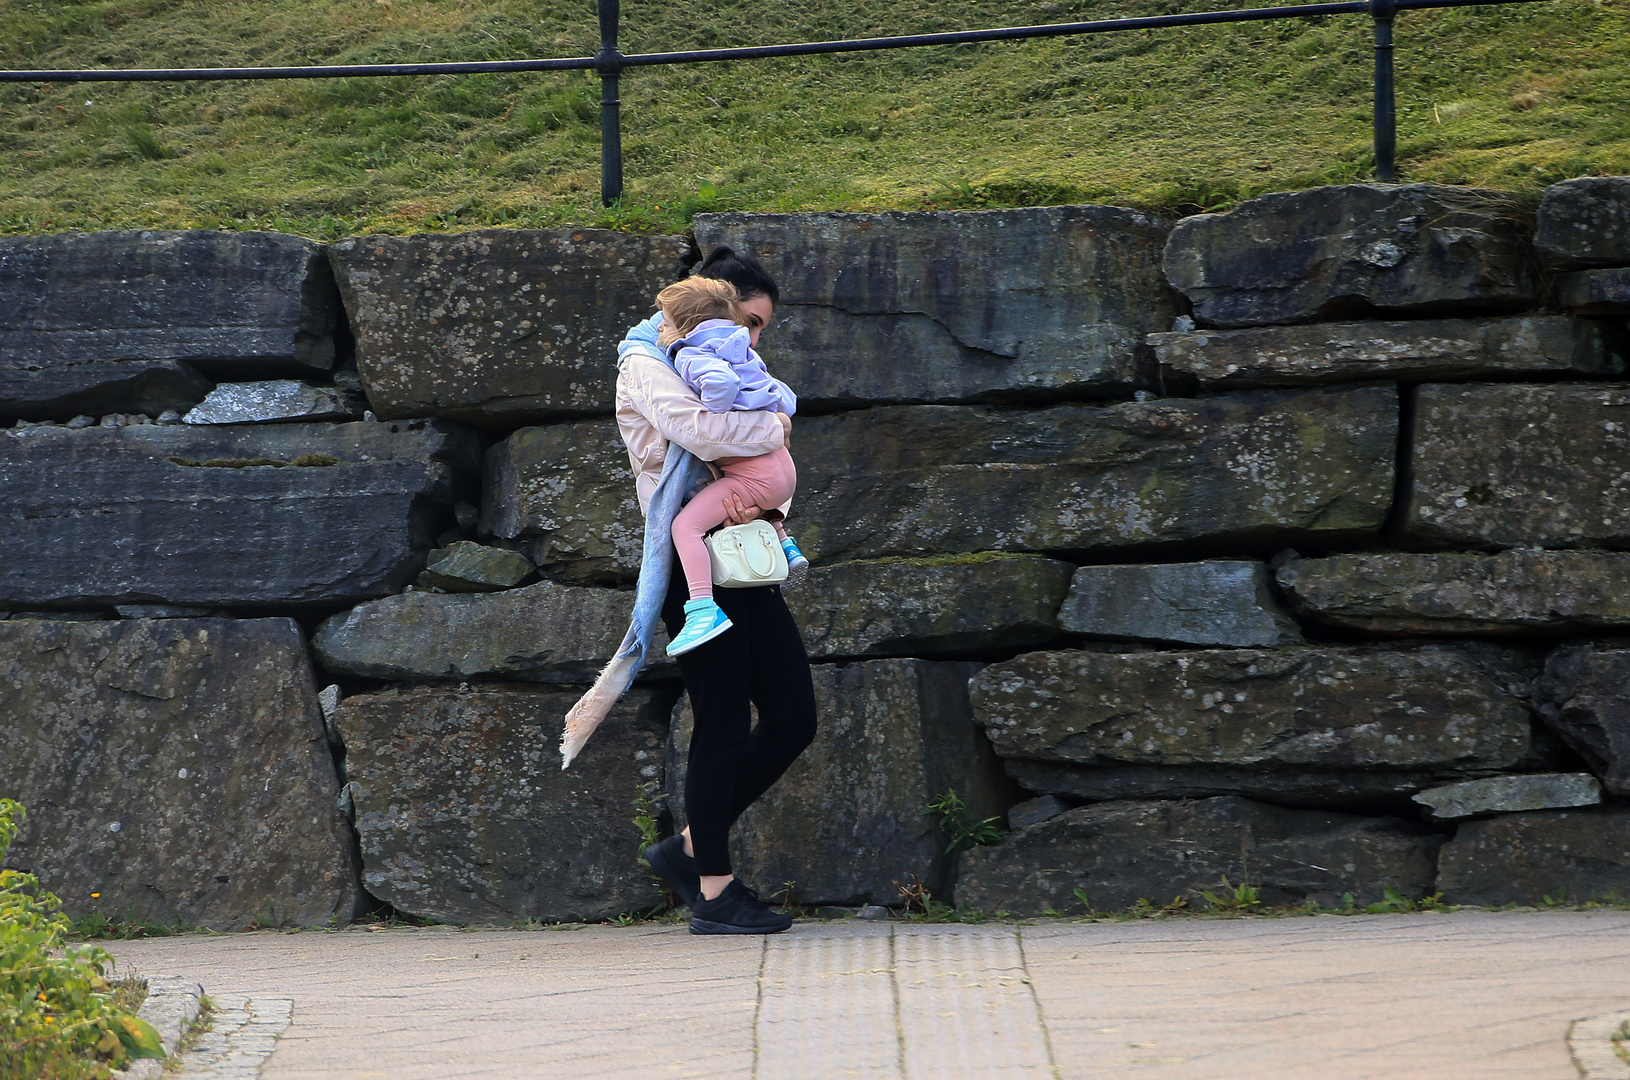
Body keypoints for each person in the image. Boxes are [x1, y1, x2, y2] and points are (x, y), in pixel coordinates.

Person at [613, 246, 818, 935]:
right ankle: (714, 890)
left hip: (744, 553)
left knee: (793, 717)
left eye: (760, 330)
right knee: (724, 722)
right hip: (690, 562)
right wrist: (780, 422)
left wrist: (770, 429)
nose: (755, 340)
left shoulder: (722, 358)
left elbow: (750, 438)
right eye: (749, 323)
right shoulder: (646, 361)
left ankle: (690, 848)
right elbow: (700, 430)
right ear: (710, 304)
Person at [653, 275, 809, 656]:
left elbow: (718, 389)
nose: (660, 329)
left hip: (755, 477)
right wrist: (772, 417)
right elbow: (784, 397)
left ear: (685, 326)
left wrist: (716, 413)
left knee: (684, 526)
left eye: (666, 323)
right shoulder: (742, 349)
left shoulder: (692, 351)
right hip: (781, 472)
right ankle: (786, 546)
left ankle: (703, 610)